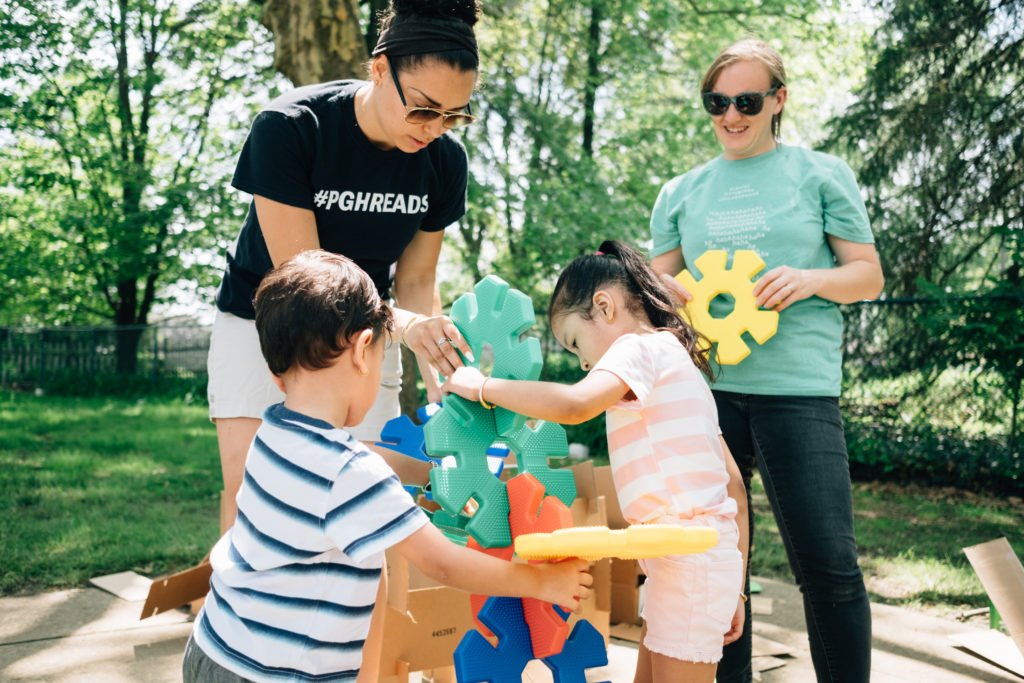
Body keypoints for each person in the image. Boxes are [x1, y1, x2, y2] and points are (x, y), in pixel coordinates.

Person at [183, 250, 593, 683]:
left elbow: (362, 458)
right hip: (274, 674)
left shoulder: (275, 432)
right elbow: (443, 565)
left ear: (277, 371)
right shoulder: (353, 476)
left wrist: (434, 478)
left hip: (212, 649)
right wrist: (542, 583)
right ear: (363, 350)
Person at [648, 38, 885, 683]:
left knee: (829, 566)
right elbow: (649, 284)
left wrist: (810, 280)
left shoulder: (820, 174)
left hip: (799, 394)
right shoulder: (681, 192)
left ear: (778, 101)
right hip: (708, 394)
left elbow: (868, 276)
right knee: (720, 564)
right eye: (716, 102)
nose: (730, 116)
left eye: (746, 101)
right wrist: (674, 290)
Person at [207, 0, 482, 529]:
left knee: (363, 493)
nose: (434, 129)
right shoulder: (292, 127)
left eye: (454, 116)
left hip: (366, 337)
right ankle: (238, 605)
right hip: (260, 322)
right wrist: (406, 325)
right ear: (379, 69)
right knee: (253, 488)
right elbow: (308, 281)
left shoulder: (444, 162)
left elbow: (419, 280)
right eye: (424, 109)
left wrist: (442, 377)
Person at [443, 240, 750, 683]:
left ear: (604, 307)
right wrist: (733, 587)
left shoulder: (637, 348)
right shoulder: (675, 363)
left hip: (690, 560)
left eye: (574, 343)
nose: (584, 361)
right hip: (691, 560)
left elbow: (573, 405)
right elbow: (735, 488)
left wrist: (481, 387)